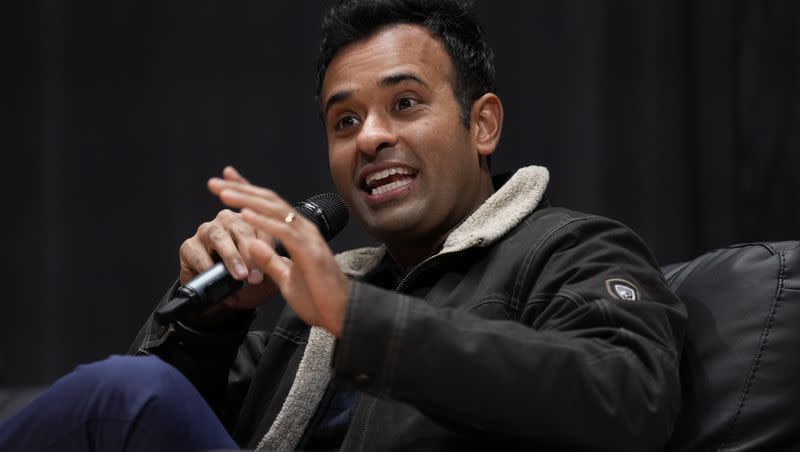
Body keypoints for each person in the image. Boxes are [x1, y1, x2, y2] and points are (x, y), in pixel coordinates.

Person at [0, 0, 687, 450]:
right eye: (345, 121)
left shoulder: (569, 249)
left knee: (124, 395)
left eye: (406, 103)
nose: (370, 139)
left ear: (482, 124)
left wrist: (360, 319)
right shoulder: (308, 323)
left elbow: (629, 400)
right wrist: (209, 323)